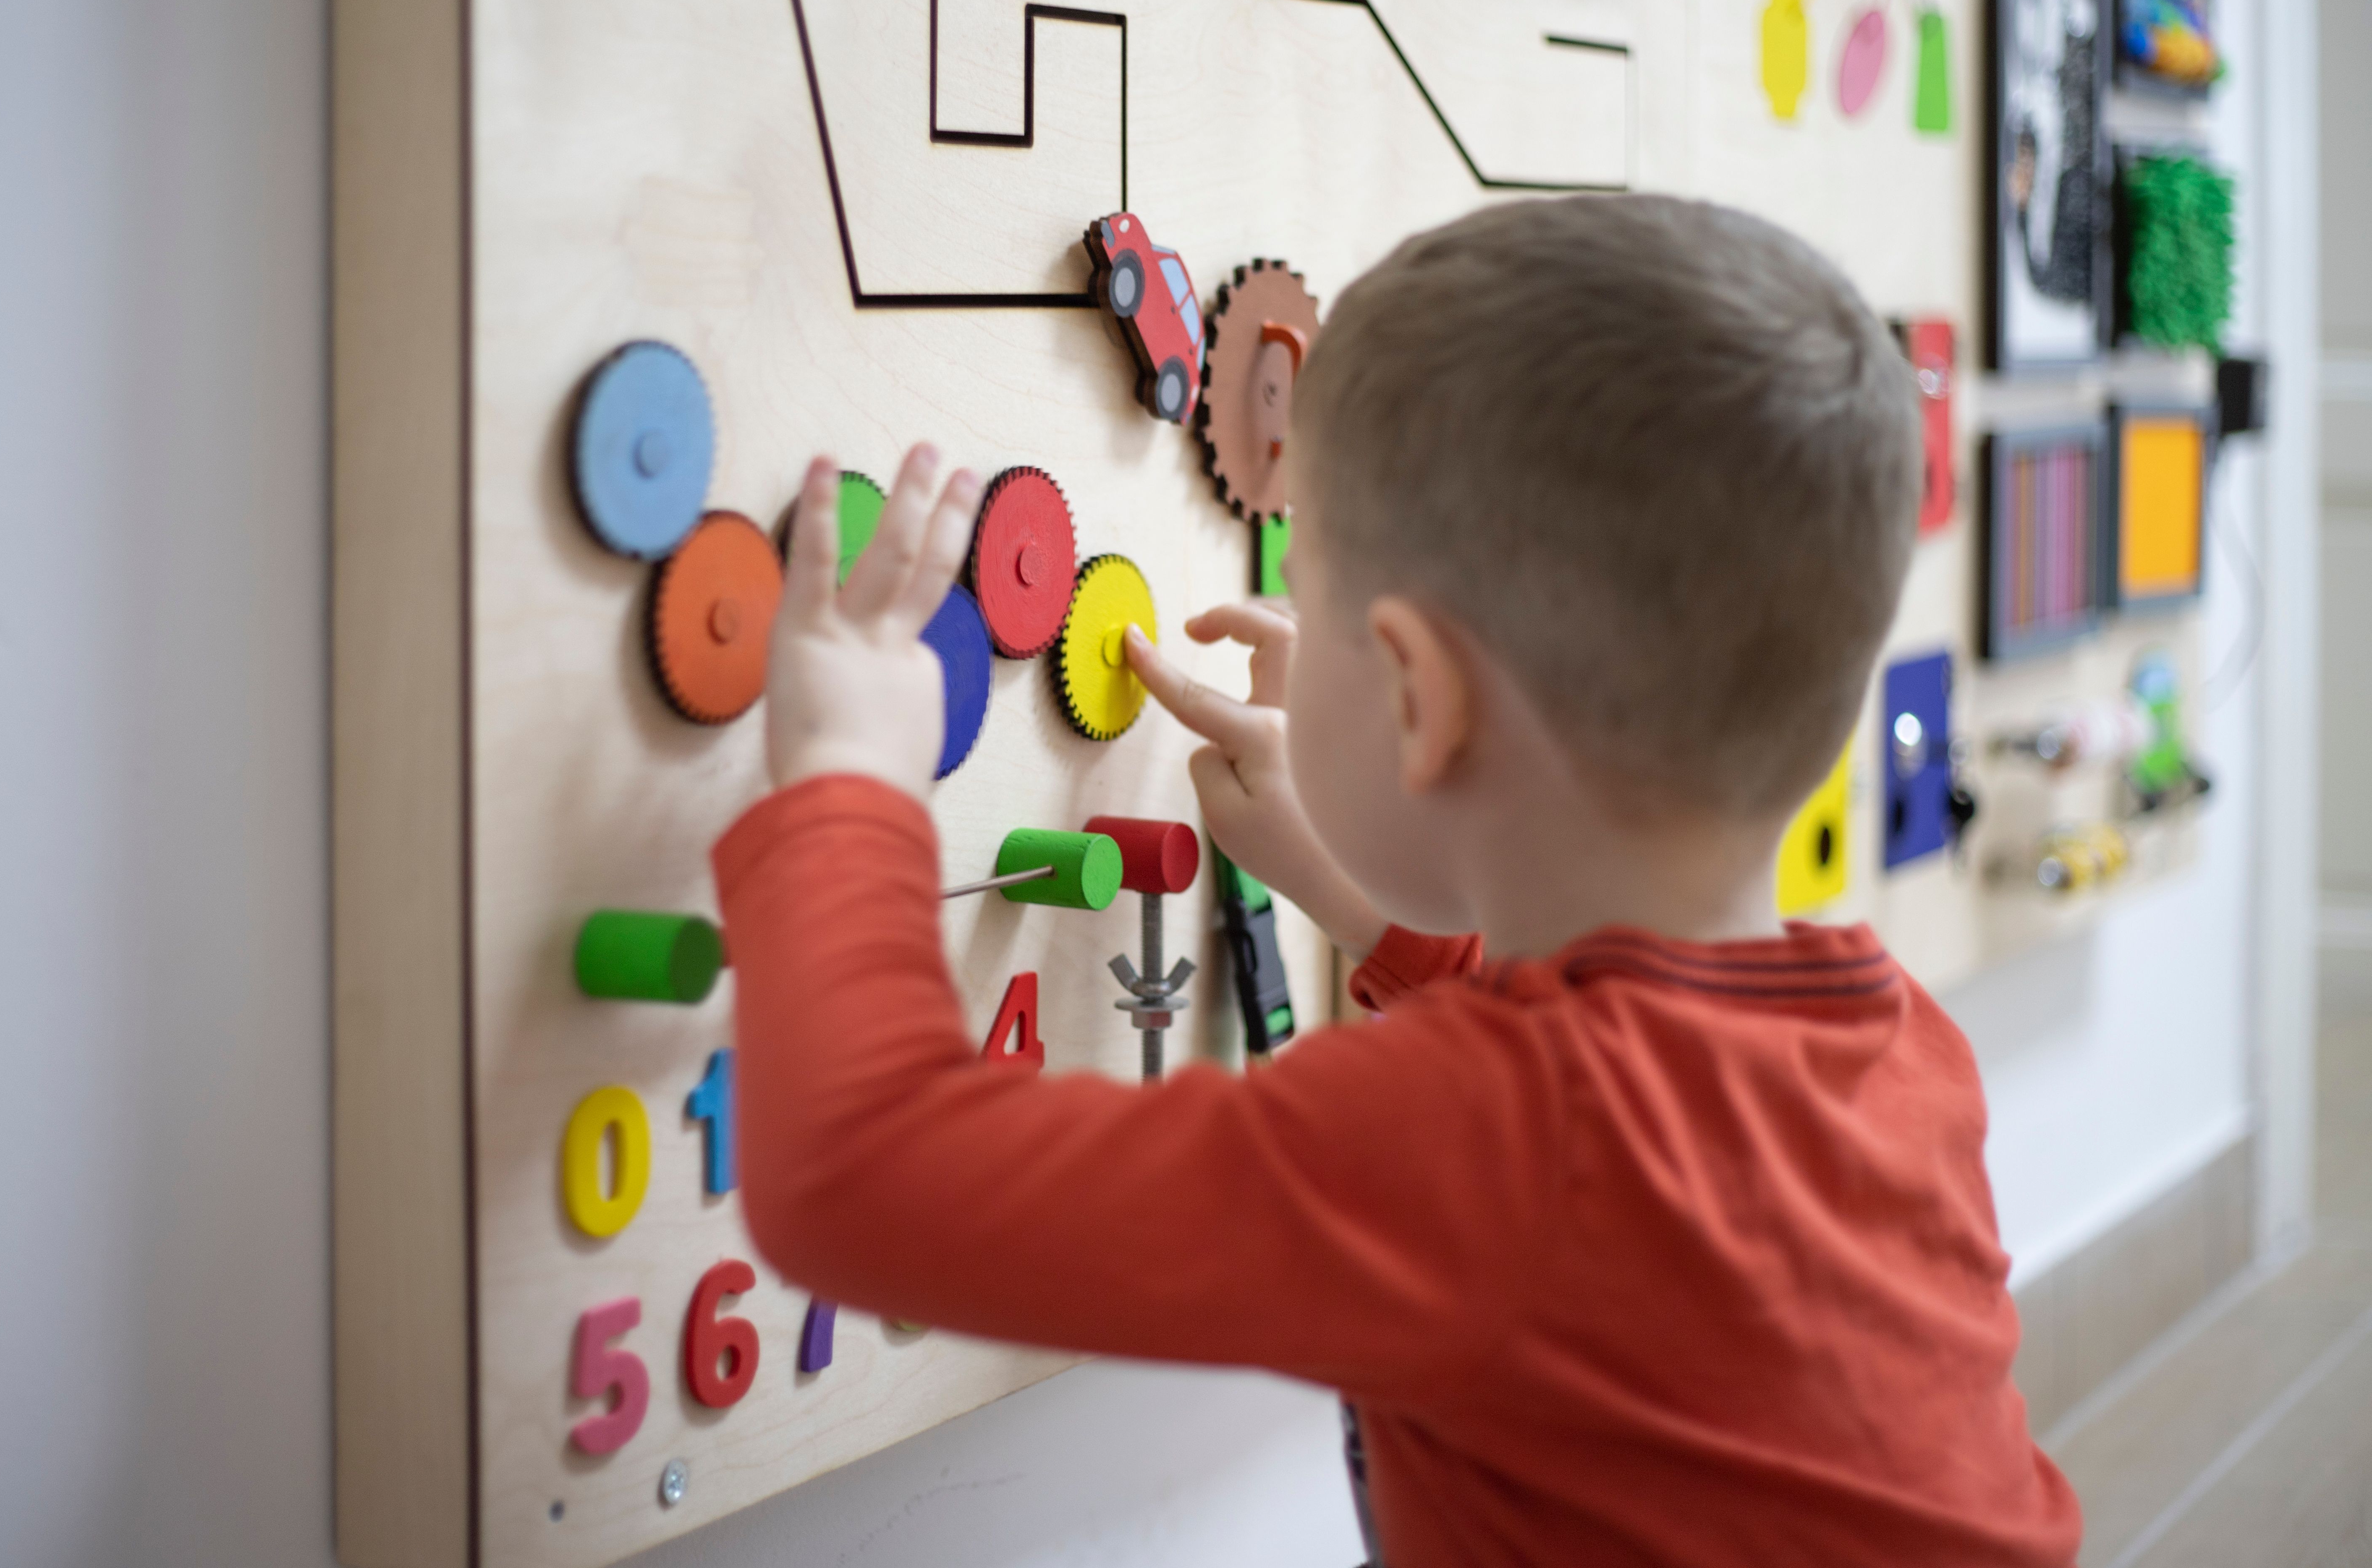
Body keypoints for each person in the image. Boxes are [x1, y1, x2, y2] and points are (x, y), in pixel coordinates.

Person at [711, 197, 2080, 1566]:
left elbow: (856, 1187)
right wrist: (1376, 905)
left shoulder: (1484, 1147)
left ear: (1422, 701)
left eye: (1308, 582)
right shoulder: (1905, 1052)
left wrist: (850, 771)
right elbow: (1625, 1125)